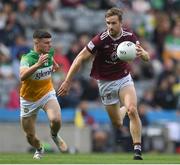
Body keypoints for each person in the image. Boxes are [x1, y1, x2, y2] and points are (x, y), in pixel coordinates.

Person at [58, 7, 150, 160]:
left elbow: (144, 56)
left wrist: (145, 54)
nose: (110, 27)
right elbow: (80, 58)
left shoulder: (130, 37)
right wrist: (67, 81)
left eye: (113, 23)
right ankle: (124, 109)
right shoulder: (100, 39)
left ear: (121, 23)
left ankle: (137, 150)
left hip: (124, 78)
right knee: (118, 123)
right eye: (108, 23)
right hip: (105, 83)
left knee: (133, 110)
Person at [19, 29, 68, 159]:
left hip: (47, 93)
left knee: (56, 119)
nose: (50, 45)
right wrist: (38, 64)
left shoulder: (49, 52)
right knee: (29, 135)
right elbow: (22, 76)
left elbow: (52, 59)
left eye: (50, 42)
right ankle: (39, 148)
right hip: (28, 100)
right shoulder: (27, 58)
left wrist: (55, 65)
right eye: (46, 43)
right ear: (37, 43)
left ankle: (54, 135)